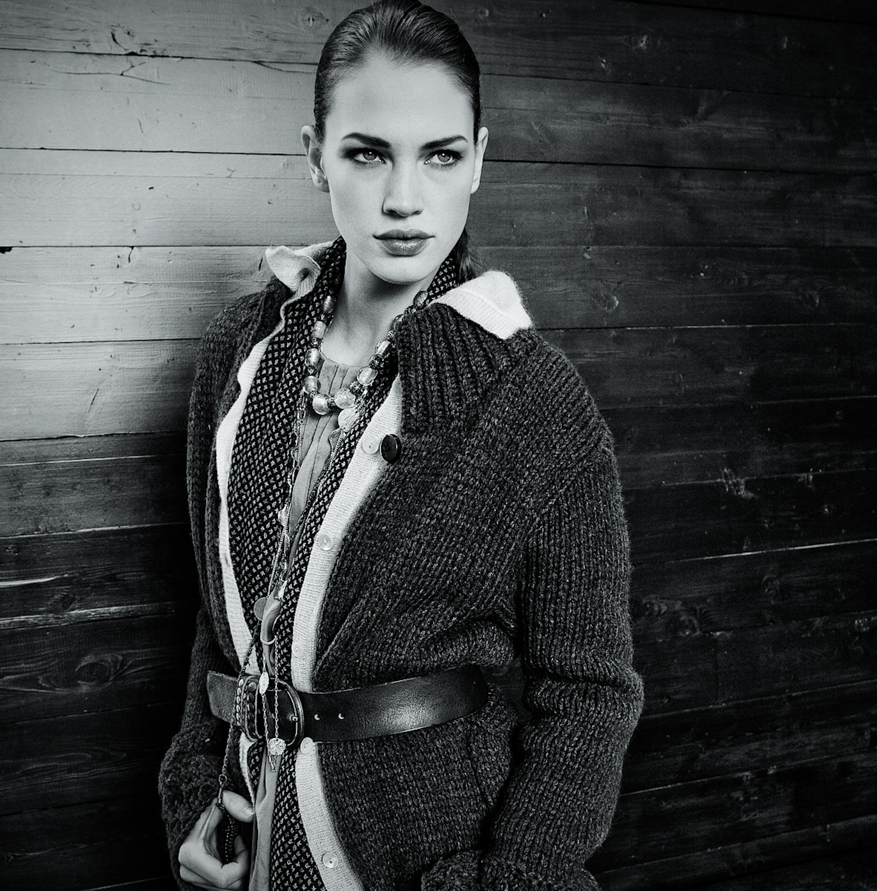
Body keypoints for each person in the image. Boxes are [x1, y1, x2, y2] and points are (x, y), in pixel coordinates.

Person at [156, 2, 643, 889]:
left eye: (441, 155)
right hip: (249, 856)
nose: (404, 199)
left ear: (479, 158)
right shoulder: (239, 349)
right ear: (316, 154)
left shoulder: (535, 400)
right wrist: (194, 799)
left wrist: (507, 882)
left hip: (429, 861)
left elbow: (589, 694)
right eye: (368, 153)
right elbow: (219, 616)